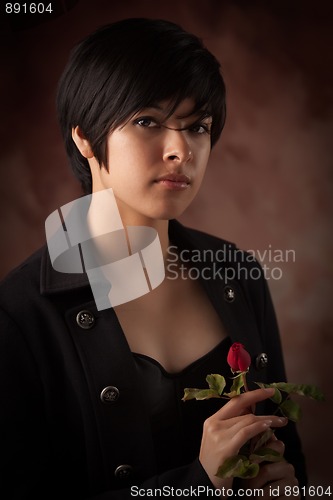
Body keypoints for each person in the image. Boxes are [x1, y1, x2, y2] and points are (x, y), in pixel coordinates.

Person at [0, 18, 307, 499]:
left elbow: (291, 459)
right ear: (84, 137)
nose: (180, 150)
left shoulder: (236, 272)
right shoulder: (19, 315)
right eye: (147, 121)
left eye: (198, 127)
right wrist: (198, 485)